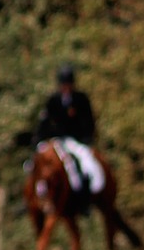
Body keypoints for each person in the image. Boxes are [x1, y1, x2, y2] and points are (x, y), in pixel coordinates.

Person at [32, 64, 104, 202]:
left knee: (86, 161)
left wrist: (87, 137)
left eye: (68, 84)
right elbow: (45, 121)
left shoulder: (81, 99)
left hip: (76, 140)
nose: (65, 87)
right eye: (63, 84)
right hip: (56, 139)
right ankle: (38, 193)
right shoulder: (53, 100)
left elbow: (89, 120)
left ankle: (85, 193)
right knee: (38, 162)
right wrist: (39, 139)